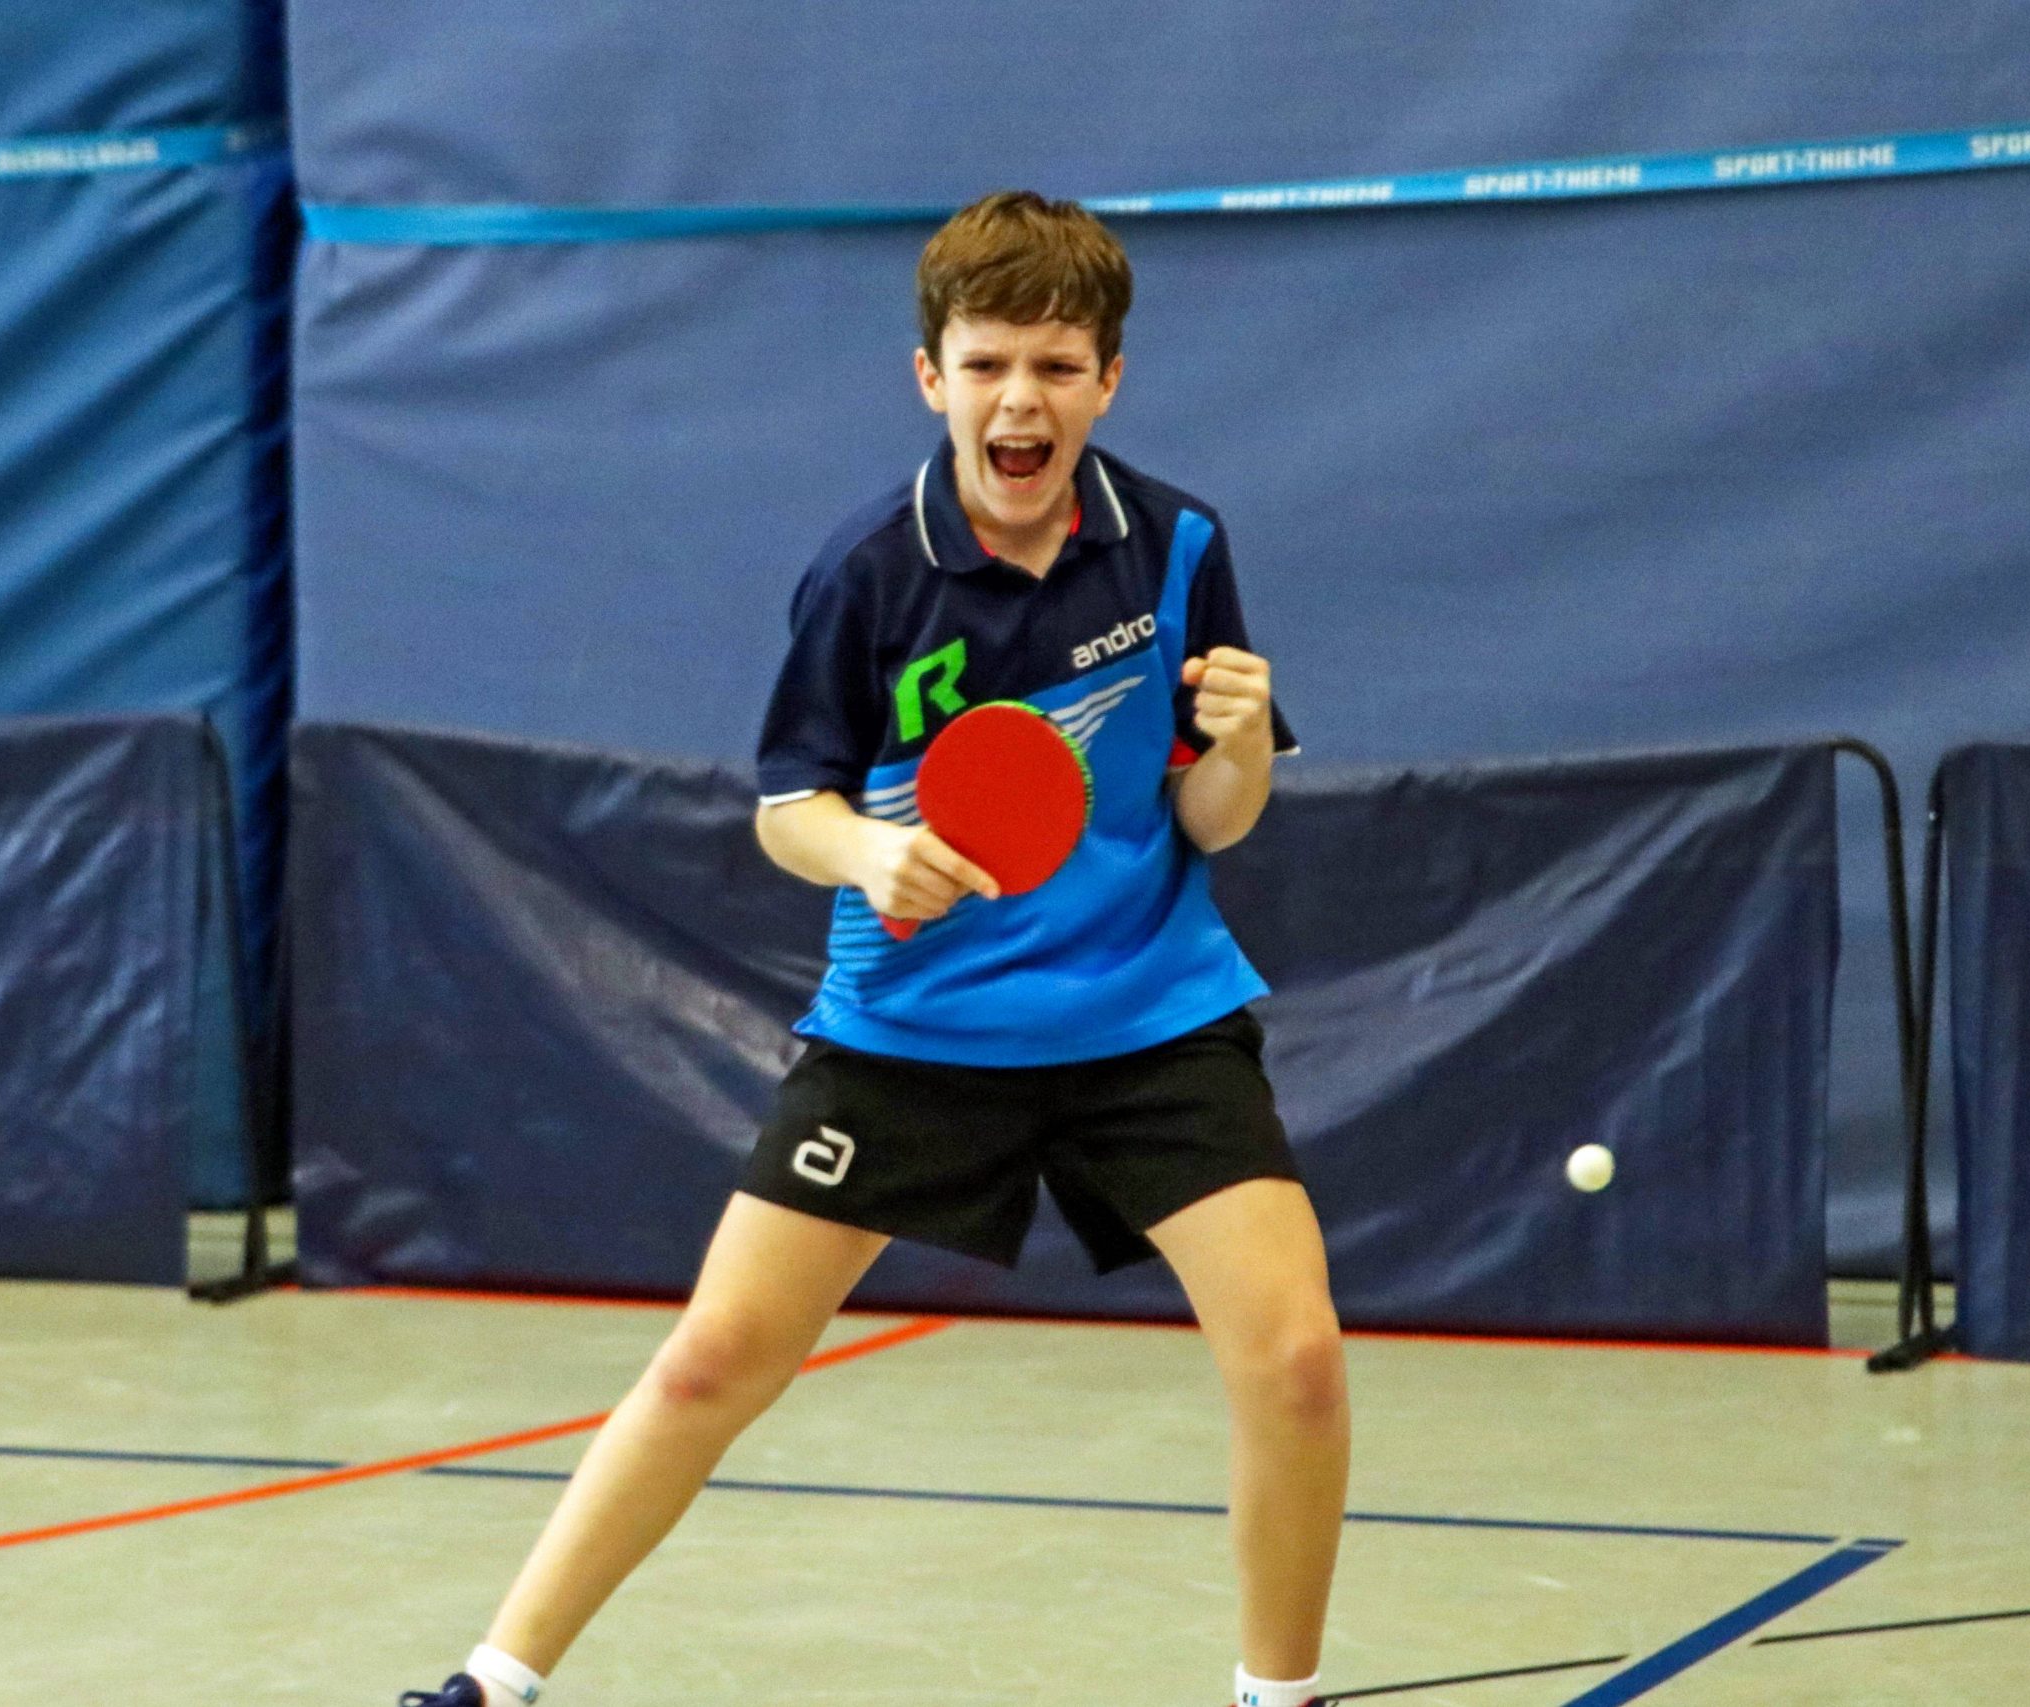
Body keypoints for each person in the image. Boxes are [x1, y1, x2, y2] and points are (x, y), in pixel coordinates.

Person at [403, 190, 1347, 1707]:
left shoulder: (1177, 546)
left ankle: (1279, 1699)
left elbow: (1211, 821)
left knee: (1295, 1360)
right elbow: (790, 809)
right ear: (931, 377)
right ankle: (491, 1685)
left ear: (1108, 380)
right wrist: (868, 852)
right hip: (914, 1026)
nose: (1020, 399)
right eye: (987, 365)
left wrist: (1239, 747)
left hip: (1150, 1018)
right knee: (714, 1358)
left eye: (1056, 366)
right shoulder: (868, 573)